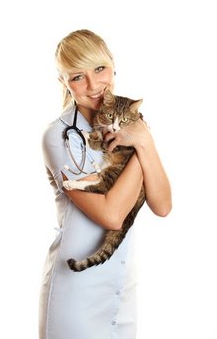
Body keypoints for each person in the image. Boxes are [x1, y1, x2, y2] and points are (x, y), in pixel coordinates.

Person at [39, 29, 172, 339]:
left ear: (113, 65)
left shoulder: (130, 123)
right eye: (77, 77)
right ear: (64, 83)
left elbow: (163, 205)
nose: (93, 85)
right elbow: (111, 214)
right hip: (74, 294)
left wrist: (144, 142)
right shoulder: (57, 137)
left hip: (120, 287)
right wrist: (141, 142)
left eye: (99, 69)